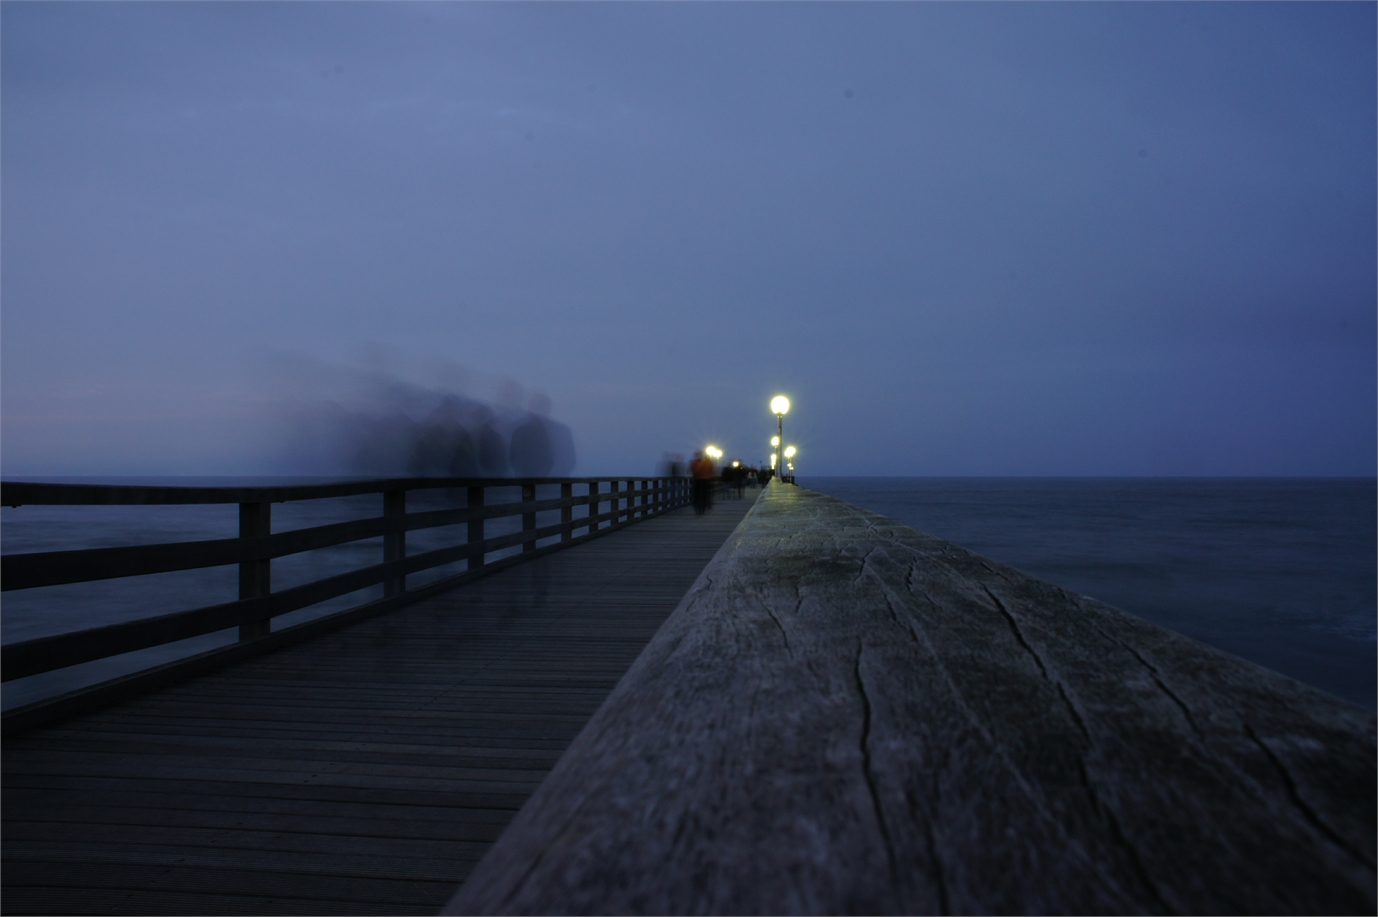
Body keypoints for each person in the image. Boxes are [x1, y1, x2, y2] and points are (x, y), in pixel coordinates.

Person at [689, 450, 715, 515]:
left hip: (698, 480)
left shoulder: (695, 462)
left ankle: (697, 505)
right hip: (706, 480)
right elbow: (712, 470)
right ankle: (706, 505)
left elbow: (692, 470)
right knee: (705, 494)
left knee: (697, 494)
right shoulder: (708, 462)